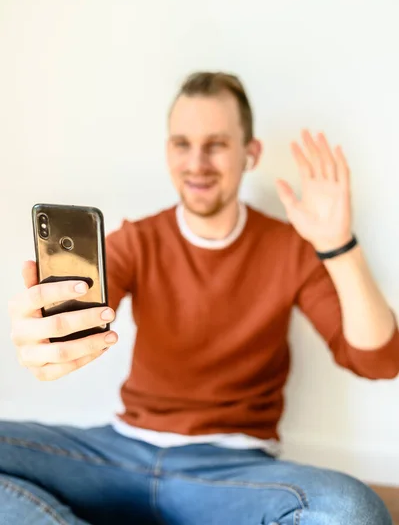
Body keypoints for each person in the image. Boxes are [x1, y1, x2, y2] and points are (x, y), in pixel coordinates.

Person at [4, 72, 399, 525]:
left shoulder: (291, 247)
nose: (197, 163)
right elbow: (77, 311)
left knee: (352, 511)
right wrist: (43, 336)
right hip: (121, 453)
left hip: (232, 472)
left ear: (250, 154)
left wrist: (338, 246)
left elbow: (379, 361)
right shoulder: (138, 240)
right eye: (181, 144)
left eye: (216, 144)